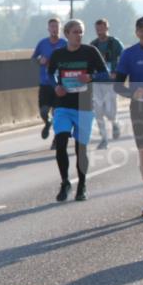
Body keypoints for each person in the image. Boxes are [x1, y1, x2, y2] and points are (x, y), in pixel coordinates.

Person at [47, 19, 109, 202]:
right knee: (61, 142)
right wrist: (55, 86)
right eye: (75, 32)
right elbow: (50, 74)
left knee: (81, 148)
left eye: (81, 32)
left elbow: (105, 74)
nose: (79, 35)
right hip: (63, 105)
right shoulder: (58, 54)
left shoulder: (90, 52)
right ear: (66, 34)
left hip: (84, 105)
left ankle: (82, 185)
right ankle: (65, 182)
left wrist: (90, 76)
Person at [114, 16, 143, 218]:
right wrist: (132, 93)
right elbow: (118, 85)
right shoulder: (128, 54)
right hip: (140, 109)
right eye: (142, 30)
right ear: (137, 33)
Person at [90, 18, 124, 149]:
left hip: (111, 82)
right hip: (97, 81)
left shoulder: (114, 43)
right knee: (97, 111)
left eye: (102, 28)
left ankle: (115, 123)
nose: (99, 31)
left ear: (107, 28)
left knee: (110, 112)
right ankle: (104, 139)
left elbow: (123, 58)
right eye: (97, 29)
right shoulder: (93, 45)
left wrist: (118, 72)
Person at [32, 17, 67, 142]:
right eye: (52, 26)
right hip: (45, 82)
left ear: (60, 28)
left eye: (56, 26)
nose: (54, 29)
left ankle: (57, 138)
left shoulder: (64, 44)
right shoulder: (42, 43)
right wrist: (39, 60)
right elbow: (34, 58)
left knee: (58, 113)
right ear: (48, 29)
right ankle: (47, 123)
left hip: (59, 83)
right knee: (43, 111)